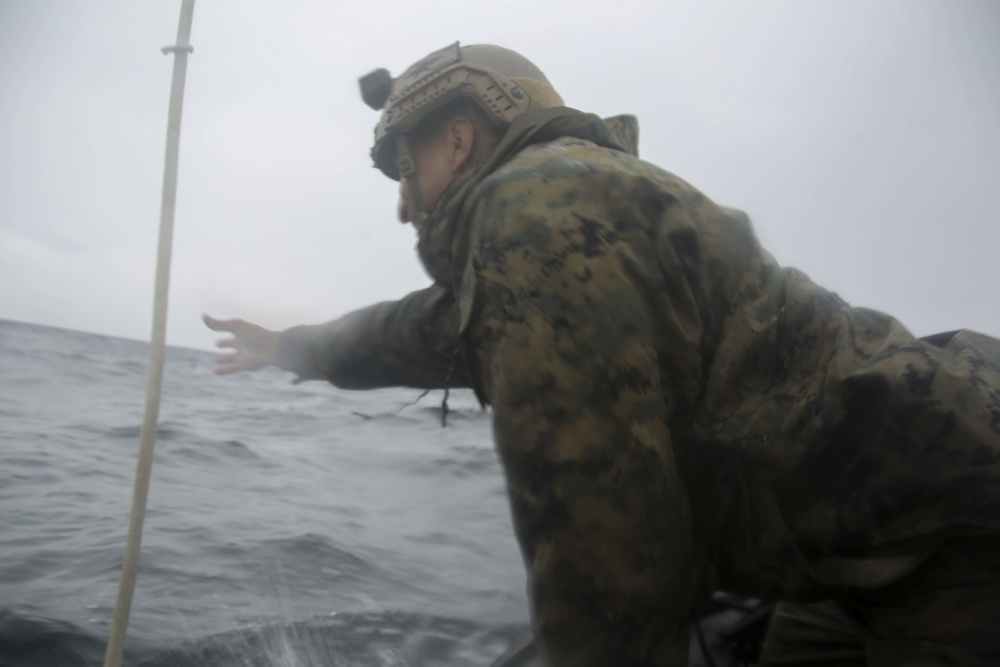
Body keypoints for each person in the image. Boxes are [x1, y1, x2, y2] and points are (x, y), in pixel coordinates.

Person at [204, 43, 1000, 666]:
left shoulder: (535, 218)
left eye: (403, 171)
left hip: (954, 530)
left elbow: (610, 559)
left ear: (458, 136)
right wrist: (291, 348)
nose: (404, 205)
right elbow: (419, 330)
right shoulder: (569, 202)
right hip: (843, 555)